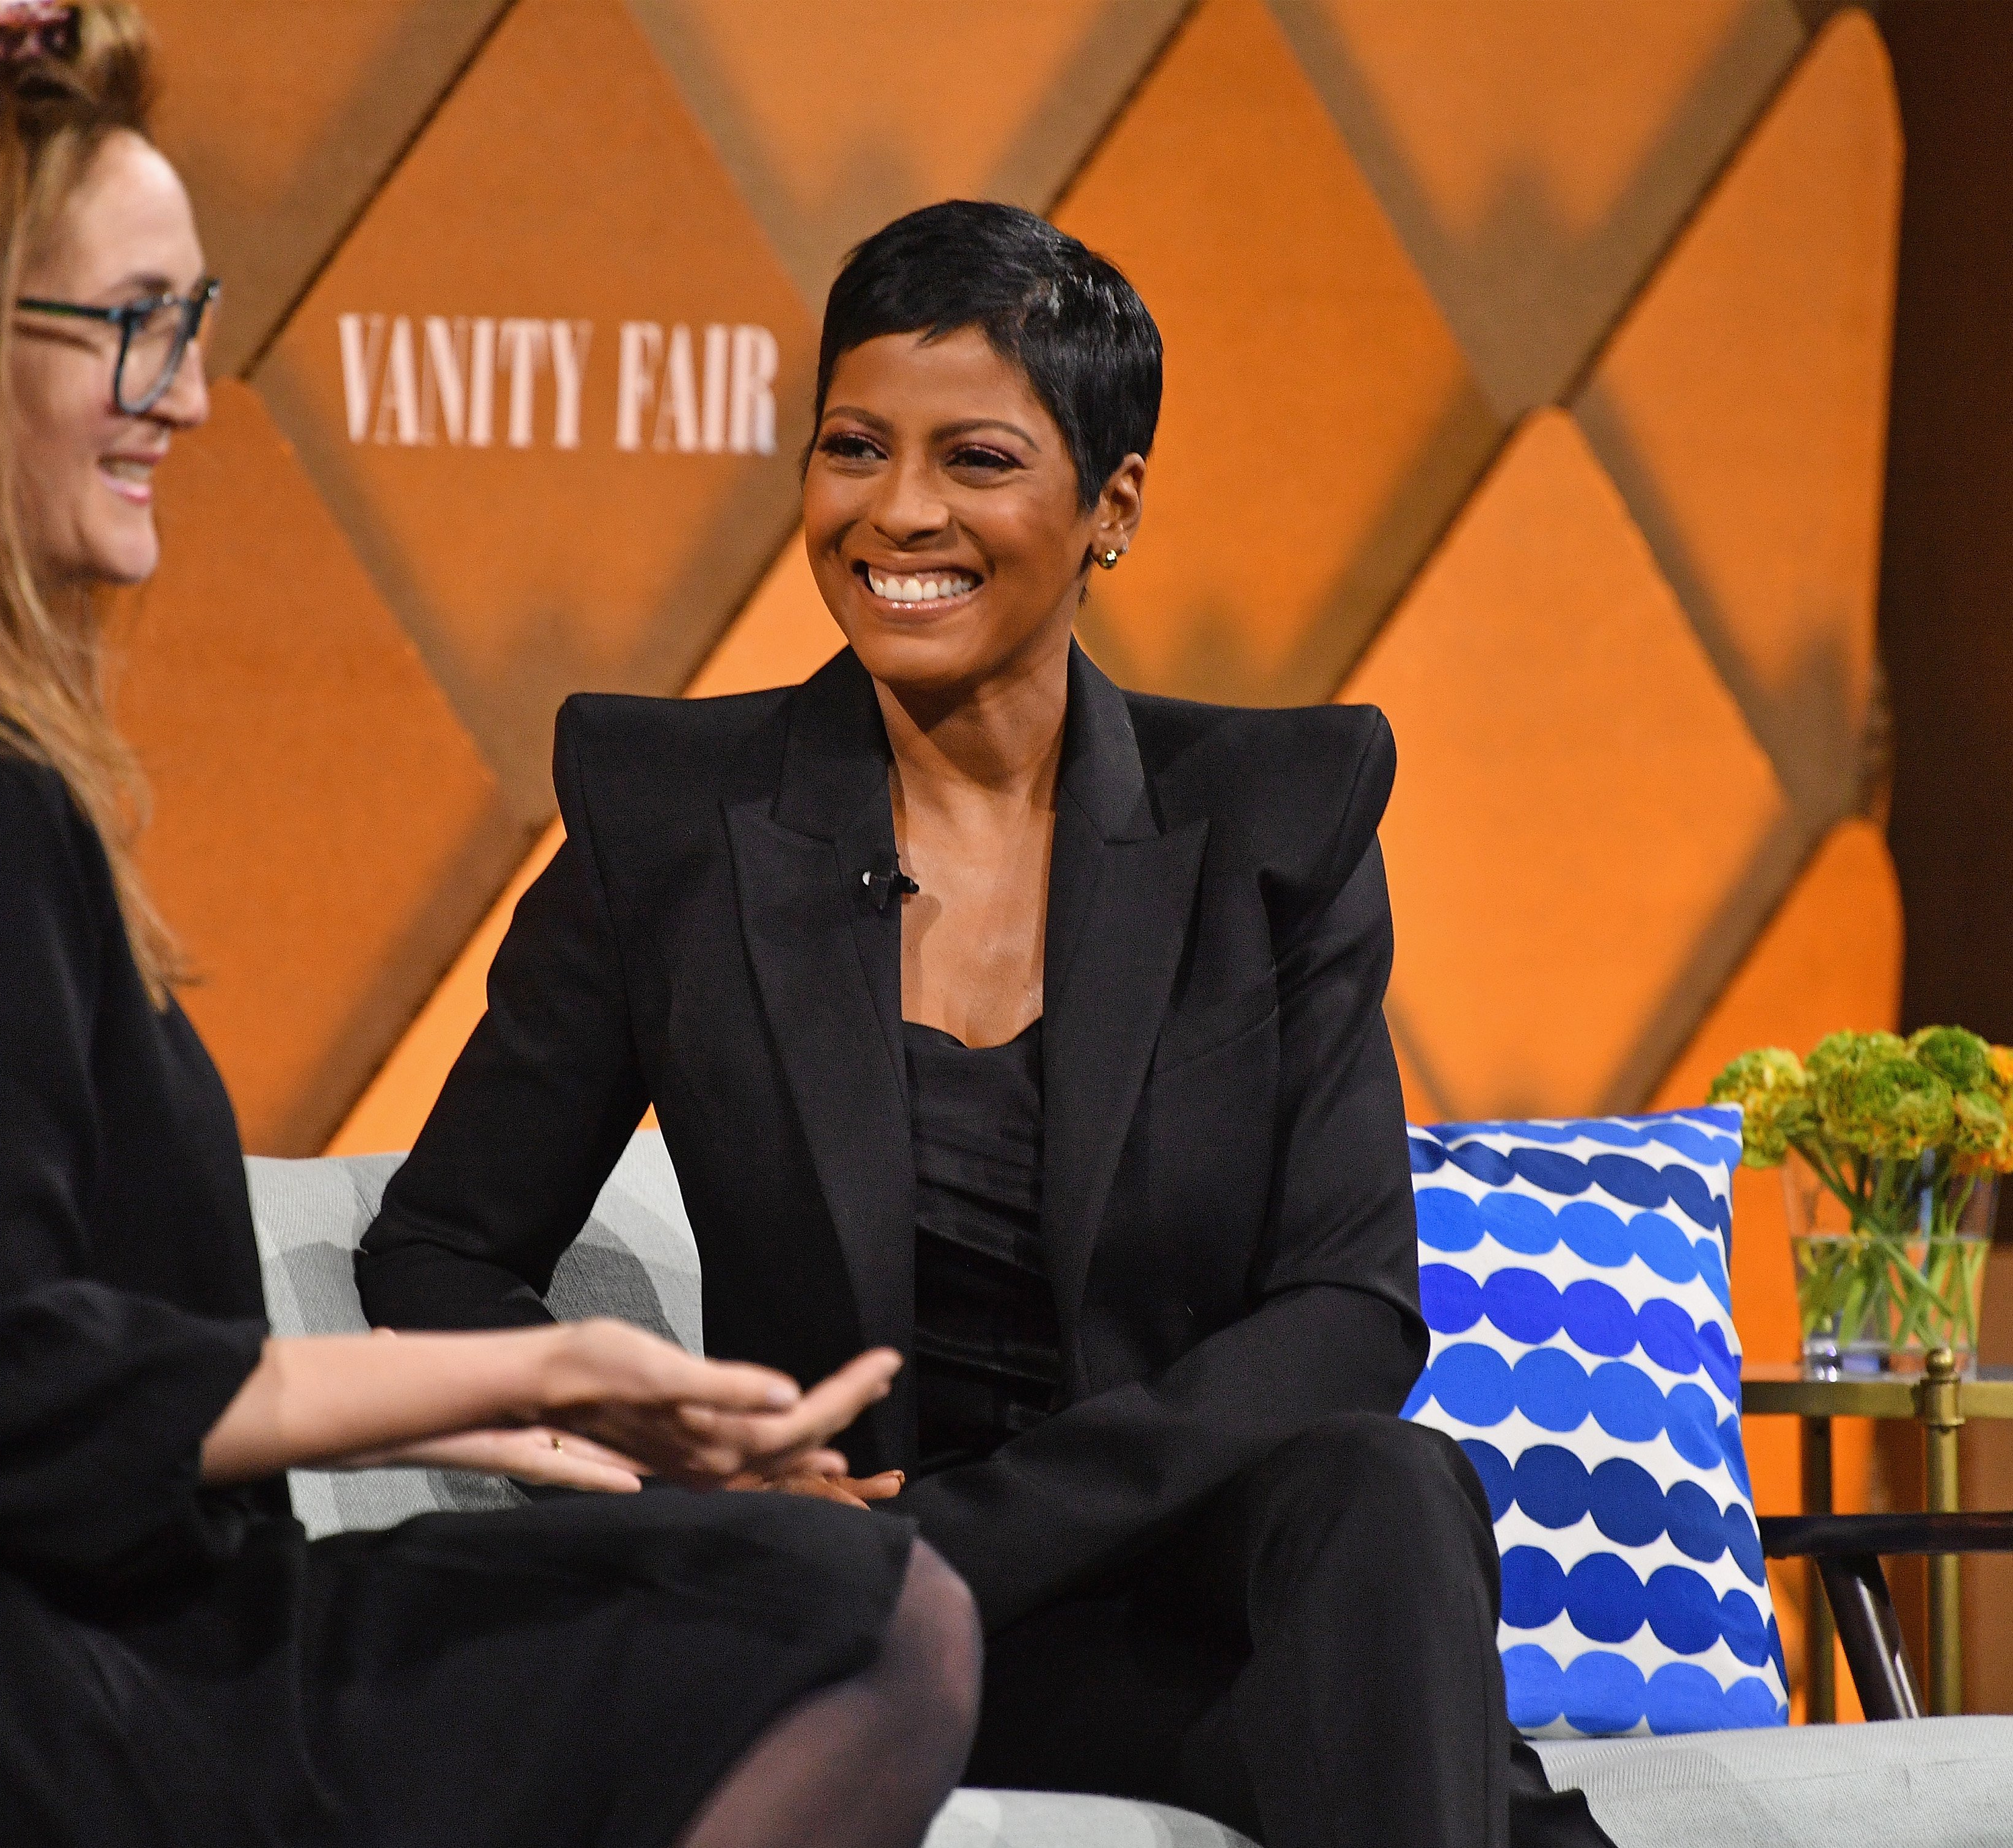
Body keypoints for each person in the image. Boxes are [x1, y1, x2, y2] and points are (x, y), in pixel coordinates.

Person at [0, 9, 979, 1844]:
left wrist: (469, 1418)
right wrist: (536, 1364)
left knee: (795, 1588)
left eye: (187, 324)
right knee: (861, 1619)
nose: (190, 394)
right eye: (133, 322)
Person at [360, 200, 1615, 1847]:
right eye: (853, 447)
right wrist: (658, 1454)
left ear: (1111, 506)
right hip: (833, 1622)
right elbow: (438, 1250)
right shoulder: (674, 816)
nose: (897, 513)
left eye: (975, 460)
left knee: (1382, 1487)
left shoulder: (1269, 816)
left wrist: (967, 1533)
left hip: (1172, 1611)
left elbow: (1346, 1309)